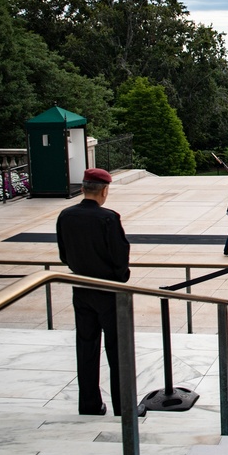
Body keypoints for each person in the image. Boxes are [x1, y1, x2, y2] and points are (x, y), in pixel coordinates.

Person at [56, 167, 131, 417]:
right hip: (108, 290)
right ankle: (123, 406)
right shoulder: (108, 218)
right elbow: (120, 257)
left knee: (86, 347)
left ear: (83, 188)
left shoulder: (65, 215)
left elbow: (64, 254)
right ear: (105, 191)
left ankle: (89, 404)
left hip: (81, 287)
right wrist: (120, 279)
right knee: (117, 349)